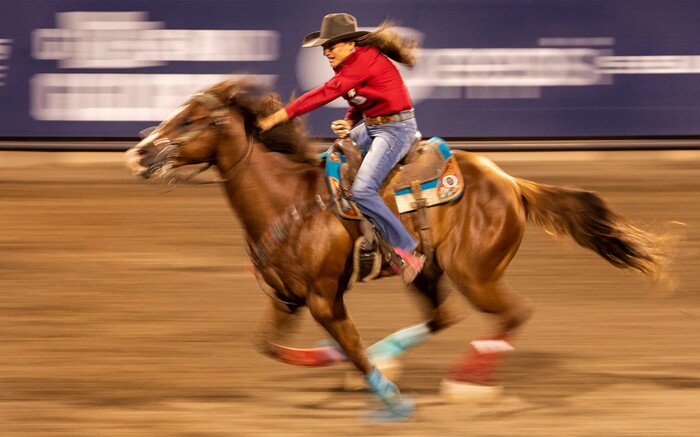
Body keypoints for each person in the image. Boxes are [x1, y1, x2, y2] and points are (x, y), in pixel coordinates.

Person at [258, 13, 424, 285]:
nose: (325, 52)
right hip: (373, 126)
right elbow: (358, 96)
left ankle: (407, 250)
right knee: (331, 156)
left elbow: (327, 92)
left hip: (396, 130)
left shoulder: (363, 60)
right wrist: (349, 120)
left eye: (330, 46)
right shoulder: (350, 63)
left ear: (349, 43)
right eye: (324, 47)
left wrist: (279, 117)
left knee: (362, 189)